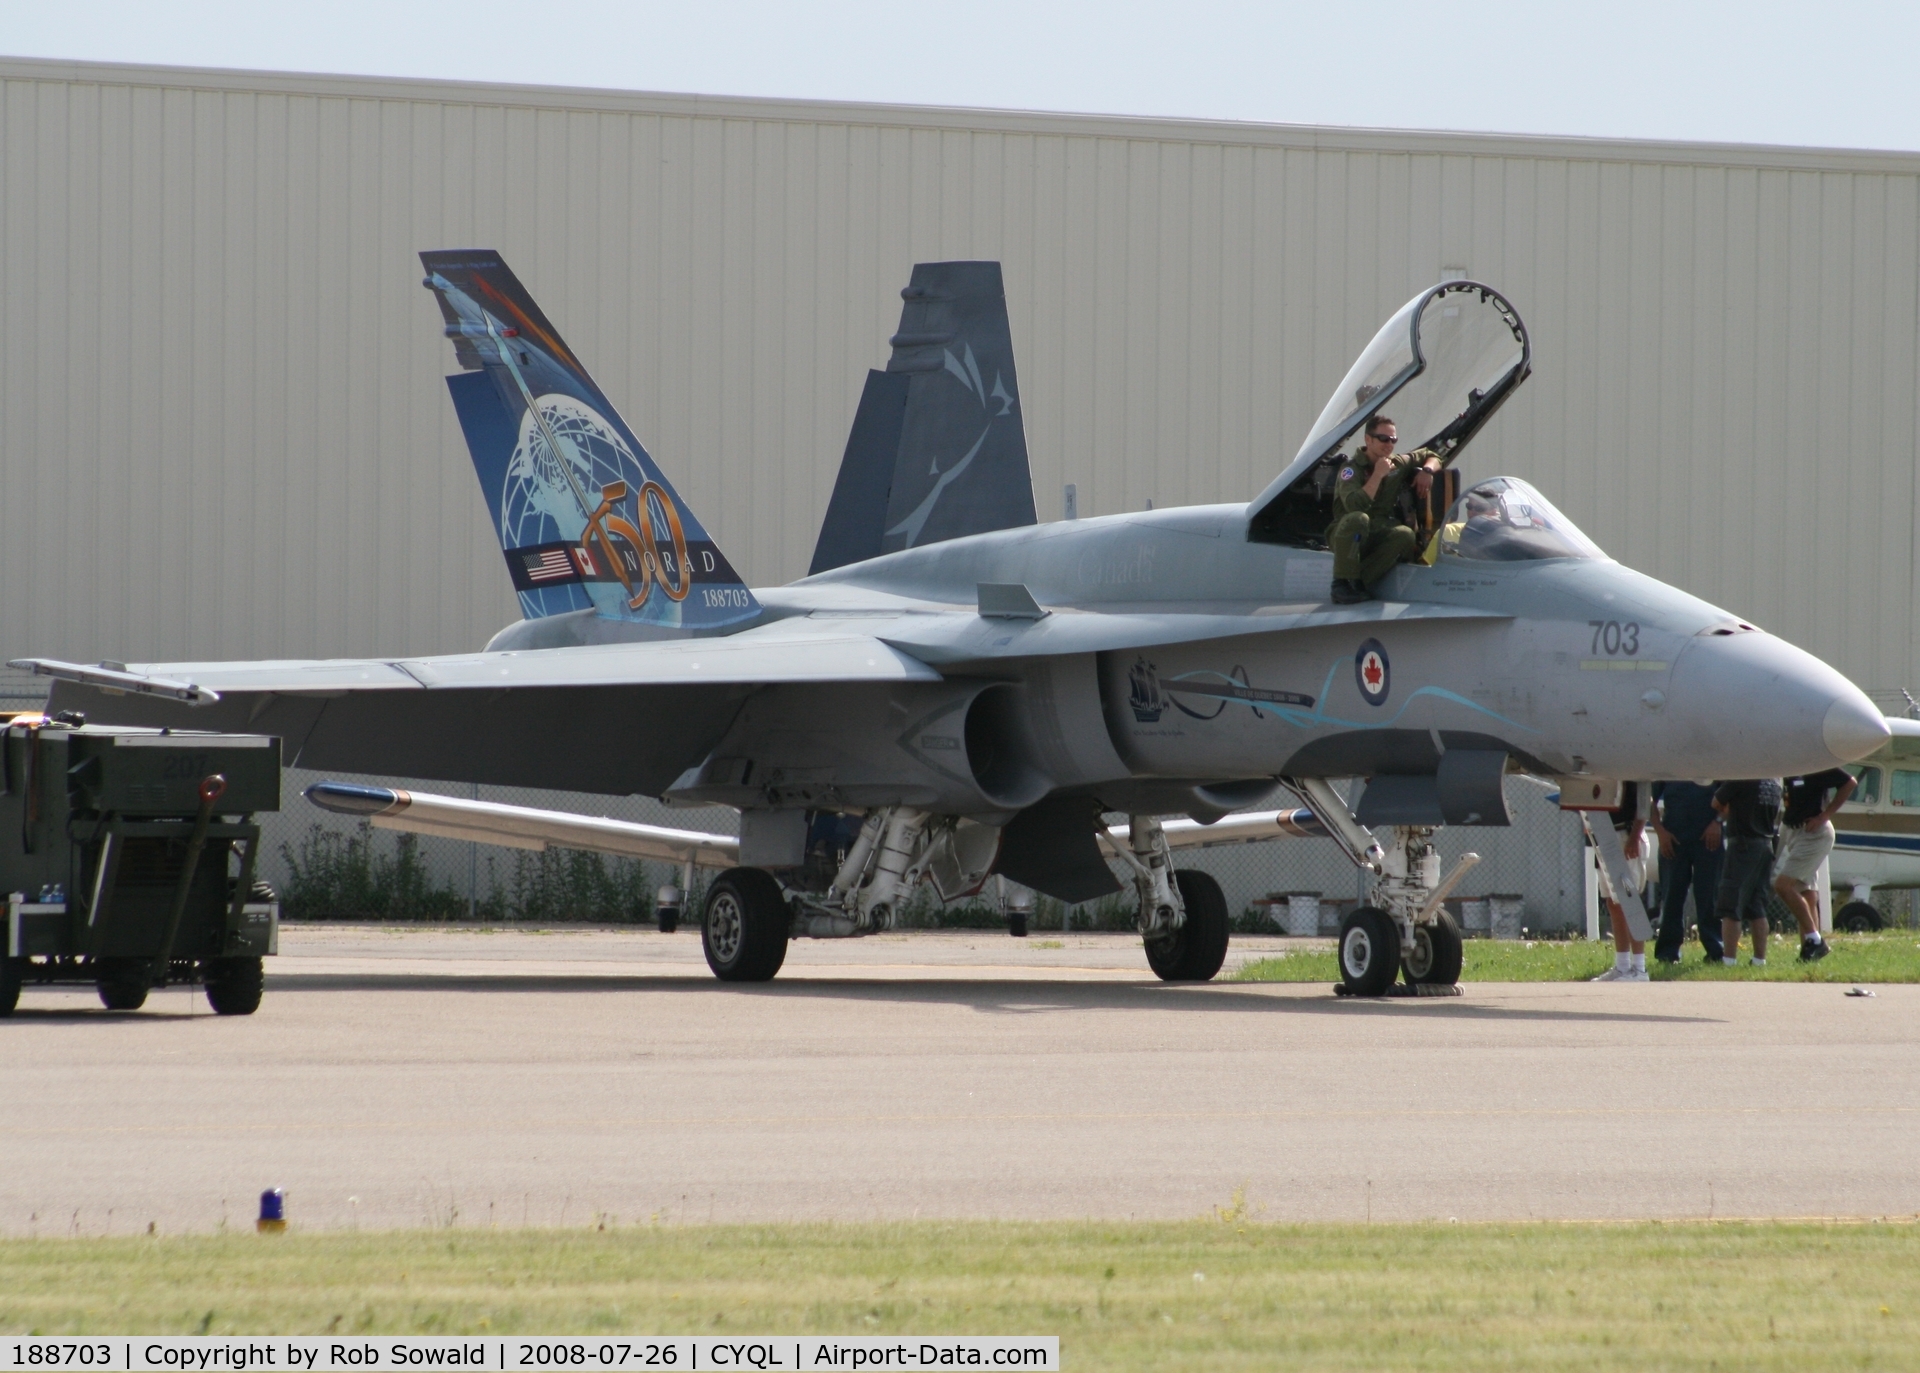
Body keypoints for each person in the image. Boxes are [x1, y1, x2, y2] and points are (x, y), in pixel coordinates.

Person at [1327, 416, 1442, 604]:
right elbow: (1355, 506)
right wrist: (1378, 475)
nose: (1389, 444)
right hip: (1348, 533)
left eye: (1393, 440)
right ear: (1368, 439)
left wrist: (1427, 471)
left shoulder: (1396, 464)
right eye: (1383, 439)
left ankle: (1358, 582)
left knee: (1405, 534)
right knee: (1359, 518)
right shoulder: (1350, 470)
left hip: (1378, 528)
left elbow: (1432, 454)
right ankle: (1340, 584)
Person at [1774, 768, 1855, 962]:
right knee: (1807, 893)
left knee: (1783, 886)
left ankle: (1815, 940)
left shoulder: (1814, 763)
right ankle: (1809, 953)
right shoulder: (1788, 763)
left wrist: (1824, 815)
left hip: (1814, 834)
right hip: (1794, 831)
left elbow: (1849, 782)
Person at [1651, 780, 1725, 964]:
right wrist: (1660, 832)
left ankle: (1715, 951)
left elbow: (1729, 797)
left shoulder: (1714, 762)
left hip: (1708, 839)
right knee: (1671, 897)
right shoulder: (1669, 764)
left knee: (1709, 897)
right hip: (1673, 839)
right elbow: (1648, 801)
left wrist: (1717, 823)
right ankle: (1668, 953)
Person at [1712, 778, 1782, 966]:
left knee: (1731, 904)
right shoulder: (1774, 783)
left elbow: (1716, 801)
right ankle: (1759, 960)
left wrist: (1728, 811)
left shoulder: (1743, 777)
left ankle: (1729, 960)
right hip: (1765, 845)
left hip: (1743, 845)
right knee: (1757, 907)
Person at [1590, 781, 1651, 981]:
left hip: (1625, 838)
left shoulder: (1632, 770)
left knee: (1629, 899)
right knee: (1612, 901)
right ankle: (1622, 966)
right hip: (1603, 837)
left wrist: (1634, 837)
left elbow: (1645, 804)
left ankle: (1640, 968)